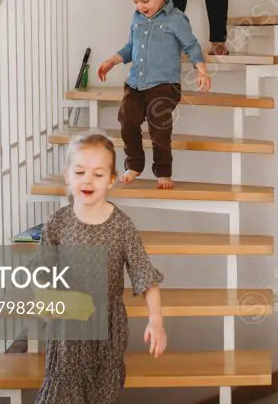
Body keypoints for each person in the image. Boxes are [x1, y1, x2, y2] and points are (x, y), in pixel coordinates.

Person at [34, 133, 166, 404]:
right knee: (61, 394)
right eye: (80, 172)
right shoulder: (57, 223)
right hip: (67, 331)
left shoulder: (122, 226)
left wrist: (156, 320)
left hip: (107, 329)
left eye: (97, 174)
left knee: (99, 393)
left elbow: (145, 275)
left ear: (111, 179)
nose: (87, 180)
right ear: (68, 176)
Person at [97, 0, 211, 189]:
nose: (139, 6)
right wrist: (112, 60)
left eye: (144, 1)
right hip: (136, 84)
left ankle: (163, 172)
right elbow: (131, 47)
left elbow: (191, 46)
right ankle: (135, 165)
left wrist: (202, 70)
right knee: (126, 119)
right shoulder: (137, 18)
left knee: (159, 126)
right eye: (134, 1)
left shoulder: (176, 19)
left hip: (164, 85)